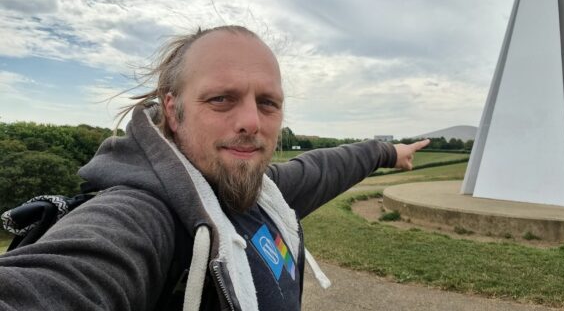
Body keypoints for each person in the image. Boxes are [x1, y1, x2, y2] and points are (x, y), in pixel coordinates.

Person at [0, 25, 429, 310]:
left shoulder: (263, 192)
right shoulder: (138, 216)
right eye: (221, 98)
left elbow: (326, 166)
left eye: (268, 103)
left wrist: (388, 152)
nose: (252, 122)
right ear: (172, 109)